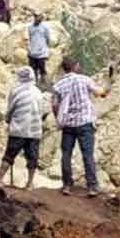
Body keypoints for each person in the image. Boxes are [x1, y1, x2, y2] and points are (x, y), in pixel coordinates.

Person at [50, 56, 110, 198]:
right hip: (85, 122)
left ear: (64, 68)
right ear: (75, 66)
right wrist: (108, 87)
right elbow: (100, 94)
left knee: (66, 154)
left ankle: (66, 185)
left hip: (68, 124)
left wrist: (59, 117)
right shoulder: (84, 79)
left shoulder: (58, 85)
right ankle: (92, 187)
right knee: (87, 155)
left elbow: (54, 104)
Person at [0, 66, 45, 189]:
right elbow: (40, 111)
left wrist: (8, 120)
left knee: (9, 155)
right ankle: (29, 183)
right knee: (32, 158)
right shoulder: (38, 92)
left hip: (18, 128)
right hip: (34, 130)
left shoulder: (16, 91)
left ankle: (0, 179)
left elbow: (11, 108)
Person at [27, 12, 52, 86]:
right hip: (32, 53)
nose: (37, 18)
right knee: (33, 70)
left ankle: (44, 85)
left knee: (42, 70)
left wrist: (44, 48)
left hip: (41, 53)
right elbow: (30, 38)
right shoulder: (30, 27)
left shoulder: (45, 27)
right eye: (36, 16)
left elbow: (48, 39)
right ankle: (35, 84)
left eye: (39, 16)